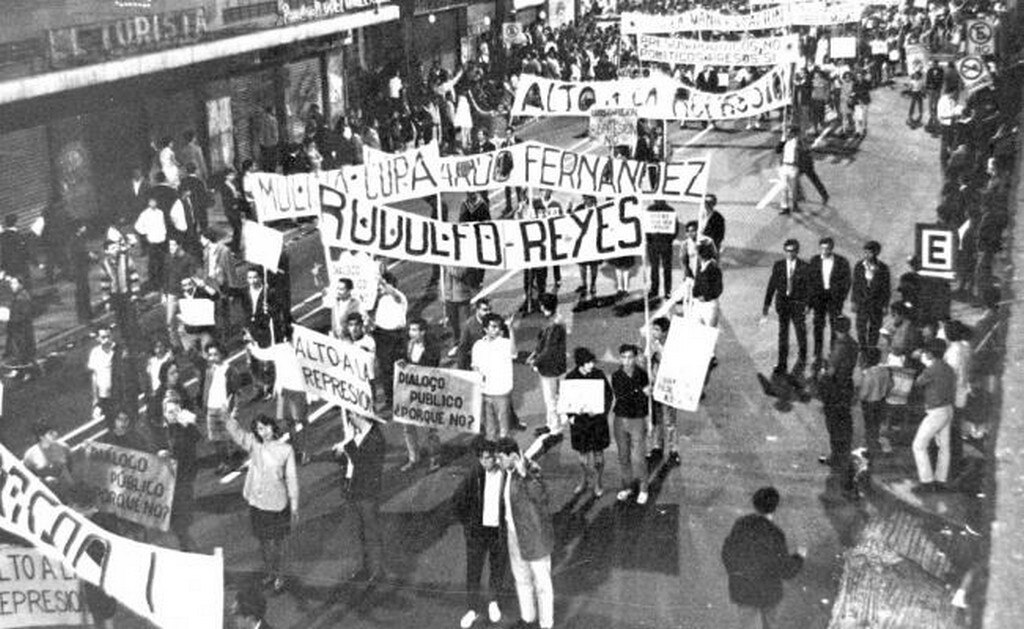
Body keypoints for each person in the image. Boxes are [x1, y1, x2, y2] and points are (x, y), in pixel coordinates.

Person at [226, 412, 299, 594]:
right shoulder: (255, 445)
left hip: (278, 504)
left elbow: (291, 478)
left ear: (273, 427)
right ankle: (270, 573)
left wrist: (295, 503)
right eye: (259, 429)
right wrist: (227, 417)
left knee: (278, 544)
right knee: (264, 542)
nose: (263, 431)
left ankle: (280, 576)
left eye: (265, 427)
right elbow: (238, 435)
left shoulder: (286, 450)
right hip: (258, 503)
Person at [721, 487, 805, 629]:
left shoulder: (741, 525)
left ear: (755, 504)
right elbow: (786, 571)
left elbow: (727, 553)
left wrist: (736, 573)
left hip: (743, 590)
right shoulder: (775, 534)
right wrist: (799, 557)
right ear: (775, 507)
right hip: (768, 593)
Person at [496, 438, 555, 629]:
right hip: (514, 535)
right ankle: (528, 618)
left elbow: (541, 496)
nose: (498, 461)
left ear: (513, 456)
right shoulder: (507, 472)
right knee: (521, 578)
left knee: (542, 584)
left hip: (535, 536)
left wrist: (525, 475)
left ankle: (546, 625)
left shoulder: (532, 470)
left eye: (500, 457)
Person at [452, 440, 508, 628]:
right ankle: (472, 609)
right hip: (478, 532)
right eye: (483, 458)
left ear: (495, 457)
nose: (487, 462)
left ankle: (493, 602)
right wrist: (468, 526)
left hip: (498, 531)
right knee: (474, 571)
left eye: (490, 457)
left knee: (497, 568)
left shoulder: (505, 474)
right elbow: (457, 501)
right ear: (479, 459)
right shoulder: (473, 475)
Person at [332, 412, 387, 582]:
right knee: (358, 531)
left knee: (371, 531)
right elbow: (346, 461)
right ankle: (364, 567)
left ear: (359, 416)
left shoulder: (376, 438)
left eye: (351, 415)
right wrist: (339, 452)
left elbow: (363, 463)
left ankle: (377, 571)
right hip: (352, 487)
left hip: (367, 491)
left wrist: (348, 445)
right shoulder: (356, 433)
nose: (349, 417)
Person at [244, 331, 309, 464]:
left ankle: (303, 451)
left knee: (300, 422)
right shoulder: (281, 349)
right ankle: (296, 450)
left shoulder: (306, 350)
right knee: (287, 422)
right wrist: (251, 344)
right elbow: (263, 354)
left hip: (299, 392)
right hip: (283, 391)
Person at [154, 391, 202, 551]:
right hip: (167, 479)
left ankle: (186, 545)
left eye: (176, 411)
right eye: (169, 412)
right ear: (164, 414)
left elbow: (196, 438)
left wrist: (189, 423)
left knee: (183, 517)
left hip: (183, 478)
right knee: (176, 519)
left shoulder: (185, 428)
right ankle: (184, 542)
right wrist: (159, 454)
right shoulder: (161, 431)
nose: (173, 415)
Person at [564, 347, 613, 498]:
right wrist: (571, 415)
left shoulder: (599, 375)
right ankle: (584, 480)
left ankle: (598, 482)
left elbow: (608, 395)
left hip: (597, 421)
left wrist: (601, 411)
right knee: (583, 455)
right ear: (580, 364)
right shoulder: (570, 377)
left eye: (592, 362)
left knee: (598, 453)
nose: (591, 365)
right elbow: (566, 400)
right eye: (588, 363)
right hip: (580, 422)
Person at [911, 340, 956, 493]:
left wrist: (923, 363)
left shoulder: (931, 369)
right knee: (944, 447)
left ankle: (927, 481)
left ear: (929, 353)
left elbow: (918, 382)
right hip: (948, 409)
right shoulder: (949, 368)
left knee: (918, 445)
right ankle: (940, 481)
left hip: (936, 412)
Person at [398, 318, 442, 472]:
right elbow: (402, 360)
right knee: (407, 425)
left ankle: (434, 459)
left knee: (429, 427)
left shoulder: (432, 347)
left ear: (423, 332)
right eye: (410, 330)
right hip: (410, 390)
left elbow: (433, 365)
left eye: (415, 330)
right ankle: (413, 458)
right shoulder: (407, 345)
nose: (412, 333)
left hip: (427, 391)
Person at [762, 239, 810, 377]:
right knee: (783, 334)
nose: (790, 254)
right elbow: (772, 285)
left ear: (797, 251)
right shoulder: (779, 266)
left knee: (800, 331)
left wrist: (808, 304)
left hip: (797, 304)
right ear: (784, 251)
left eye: (793, 251)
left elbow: (809, 288)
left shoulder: (804, 267)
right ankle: (782, 363)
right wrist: (766, 304)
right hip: (783, 304)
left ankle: (802, 357)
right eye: (787, 251)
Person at [817, 316, 859, 476]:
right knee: (845, 420)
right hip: (847, 385)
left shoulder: (839, 347)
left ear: (836, 329)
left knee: (834, 423)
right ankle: (845, 453)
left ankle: (836, 456)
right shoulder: (853, 344)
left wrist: (822, 373)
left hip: (835, 388)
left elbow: (831, 371)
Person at [611, 344, 651, 504]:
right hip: (620, 420)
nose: (627, 361)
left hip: (637, 420)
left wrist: (643, 394)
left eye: (630, 357)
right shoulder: (616, 376)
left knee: (638, 458)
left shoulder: (642, 374)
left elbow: (643, 401)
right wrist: (641, 393)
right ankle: (627, 486)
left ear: (635, 358)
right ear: (620, 358)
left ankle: (643, 488)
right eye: (624, 357)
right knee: (623, 456)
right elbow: (623, 396)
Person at [808, 237, 851, 369]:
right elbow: (809, 282)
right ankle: (817, 353)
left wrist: (841, 297)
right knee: (818, 326)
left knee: (834, 326)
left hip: (834, 299)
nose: (825, 251)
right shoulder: (814, 261)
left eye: (827, 248)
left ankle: (833, 352)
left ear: (832, 248)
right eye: (822, 248)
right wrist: (809, 303)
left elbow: (847, 281)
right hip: (819, 298)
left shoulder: (841, 261)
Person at [472, 313, 516, 440]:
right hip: (485, 392)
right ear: (485, 329)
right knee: (489, 429)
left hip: (502, 392)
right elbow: (475, 367)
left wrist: (511, 329)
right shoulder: (478, 345)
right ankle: (492, 452)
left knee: (504, 429)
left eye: (498, 327)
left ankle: (504, 453)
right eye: (493, 327)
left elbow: (513, 353)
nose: (497, 330)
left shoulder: (505, 343)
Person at [529, 293, 567, 437]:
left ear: (542, 306)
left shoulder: (552, 324)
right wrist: (535, 353)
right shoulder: (557, 319)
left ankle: (555, 427)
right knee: (556, 396)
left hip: (550, 368)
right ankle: (551, 423)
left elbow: (548, 348)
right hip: (559, 364)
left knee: (550, 398)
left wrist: (535, 361)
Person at [201, 341, 242, 475]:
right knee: (215, 439)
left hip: (224, 408)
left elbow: (236, 392)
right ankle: (223, 462)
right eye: (210, 355)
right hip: (211, 407)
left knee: (227, 437)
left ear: (222, 354)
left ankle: (232, 462)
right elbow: (207, 389)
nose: (212, 358)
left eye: (215, 354)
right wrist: (205, 405)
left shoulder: (230, 370)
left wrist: (235, 409)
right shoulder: (209, 371)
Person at [371, 272, 407, 407]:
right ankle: (390, 400)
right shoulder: (380, 300)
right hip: (381, 335)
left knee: (399, 367)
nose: (380, 288)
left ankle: (403, 398)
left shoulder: (399, 297)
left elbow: (395, 294)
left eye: (384, 285)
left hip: (396, 336)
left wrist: (382, 281)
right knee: (385, 369)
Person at [851, 241, 891, 350]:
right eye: (865, 252)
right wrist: (854, 301)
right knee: (861, 327)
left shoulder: (883, 268)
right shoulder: (859, 266)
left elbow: (886, 288)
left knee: (875, 327)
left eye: (870, 253)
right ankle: (863, 347)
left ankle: (872, 348)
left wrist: (885, 305)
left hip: (876, 303)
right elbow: (855, 284)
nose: (867, 255)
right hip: (862, 302)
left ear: (876, 253)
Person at [22, 420, 73, 492]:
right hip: (47, 493)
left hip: (68, 489)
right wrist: (45, 481)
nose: (55, 434)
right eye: (50, 433)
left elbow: (70, 466)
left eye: (54, 431)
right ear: (41, 437)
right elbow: (28, 477)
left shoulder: (64, 447)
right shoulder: (30, 455)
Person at [645, 199, 677, 301]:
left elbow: (674, 228)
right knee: (658, 268)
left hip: (661, 243)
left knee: (663, 268)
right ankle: (661, 291)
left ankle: (662, 291)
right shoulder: (651, 210)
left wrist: (669, 240)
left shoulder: (670, 210)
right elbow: (646, 227)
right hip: (657, 244)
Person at [3, 276, 35, 371]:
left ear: (20, 284)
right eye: (11, 284)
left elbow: (22, 316)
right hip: (20, 330)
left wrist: (7, 317)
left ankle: (26, 372)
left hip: (22, 331)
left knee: (23, 352)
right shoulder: (19, 296)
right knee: (22, 352)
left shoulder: (22, 297)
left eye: (14, 283)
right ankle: (25, 371)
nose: (12, 286)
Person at [692, 240, 723, 328]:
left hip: (709, 305)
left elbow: (718, 289)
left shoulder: (714, 268)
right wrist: (696, 295)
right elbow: (696, 284)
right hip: (698, 303)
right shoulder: (700, 266)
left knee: (709, 332)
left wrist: (705, 297)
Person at [456, 299, 492, 370]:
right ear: (477, 310)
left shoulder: (494, 321)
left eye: (490, 309)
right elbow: (462, 349)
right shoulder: (468, 326)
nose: (488, 312)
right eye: (485, 310)